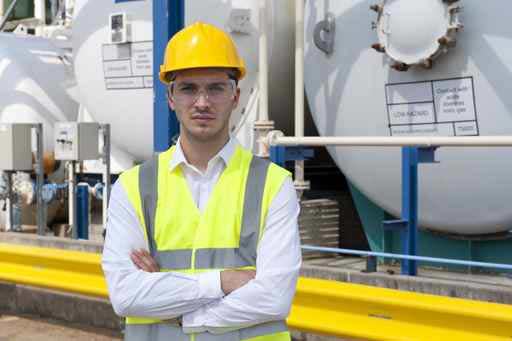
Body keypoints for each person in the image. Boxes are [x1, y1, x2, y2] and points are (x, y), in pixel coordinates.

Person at [102, 21, 301, 341]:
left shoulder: (274, 186)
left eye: (216, 88)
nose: (203, 102)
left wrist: (180, 313)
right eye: (189, 88)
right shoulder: (133, 187)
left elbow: (274, 298)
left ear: (236, 96)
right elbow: (126, 295)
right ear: (171, 98)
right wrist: (222, 282)